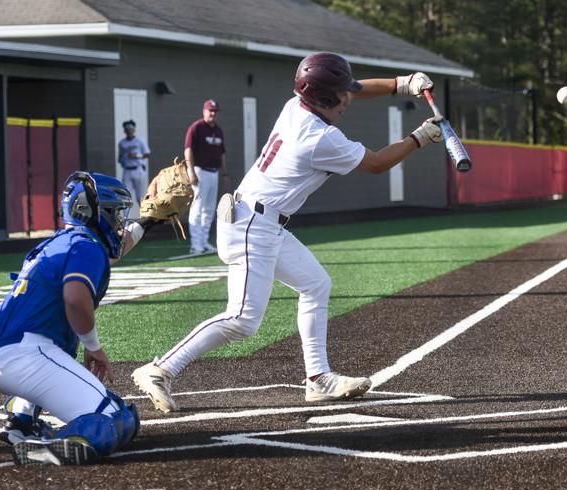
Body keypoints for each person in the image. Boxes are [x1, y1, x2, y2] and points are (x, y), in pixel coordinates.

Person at [131, 52, 443, 413]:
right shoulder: (320, 139)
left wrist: (403, 84)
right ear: (323, 98)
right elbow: (376, 164)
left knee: (315, 284)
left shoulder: (298, 103)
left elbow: (353, 89)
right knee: (243, 319)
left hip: (260, 219)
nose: (347, 100)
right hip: (253, 225)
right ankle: (161, 369)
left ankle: (318, 379)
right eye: (339, 96)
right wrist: (419, 137)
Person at [0, 172, 141, 465]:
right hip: (25, 355)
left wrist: (147, 224)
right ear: (91, 211)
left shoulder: (59, 241)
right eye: (113, 213)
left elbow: (101, 258)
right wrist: (93, 346)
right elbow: (75, 299)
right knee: (116, 417)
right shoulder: (86, 246)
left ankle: (22, 417)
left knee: (59, 347)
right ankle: (51, 446)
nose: (118, 223)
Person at [184, 99, 230, 254]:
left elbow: (222, 153)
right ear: (204, 111)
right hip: (200, 171)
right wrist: (190, 171)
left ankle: (203, 242)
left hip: (214, 172)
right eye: (210, 110)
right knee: (197, 208)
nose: (213, 113)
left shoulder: (218, 130)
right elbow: (188, 150)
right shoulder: (196, 128)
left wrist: (225, 173)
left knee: (209, 209)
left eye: (215, 111)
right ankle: (195, 244)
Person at [117, 120, 151, 211]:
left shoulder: (140, 141)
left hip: (138, 170)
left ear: (134, 130)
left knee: (140, 196)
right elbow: (119, 158)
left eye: (131, 129)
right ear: (125, 131)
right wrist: (123, 160)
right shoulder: (122, 143)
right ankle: (125, 220)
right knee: (125, 196)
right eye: (127, 129)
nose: (129, 131)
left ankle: (145, 215)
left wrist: (136, 156)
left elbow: (147, 154)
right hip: (127, 170)